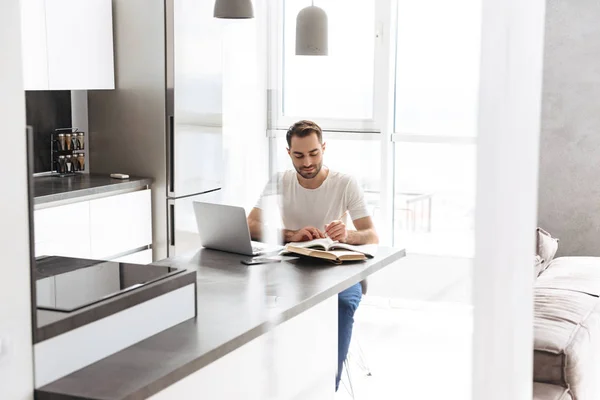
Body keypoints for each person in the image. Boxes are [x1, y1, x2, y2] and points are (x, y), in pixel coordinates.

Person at [247, 120, 379, 391]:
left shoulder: (345, 183)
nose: (307, 162)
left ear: (324, 148)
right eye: (299, 155)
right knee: (248, 296)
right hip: (291, 268)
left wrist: (347, 234)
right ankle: (264, 381)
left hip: (338, 269)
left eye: (313, 153)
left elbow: (371, 235)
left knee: (342, 305)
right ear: (288, 153)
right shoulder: (280, 181)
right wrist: (291, 234)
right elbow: (251, 225)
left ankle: (328, 387)